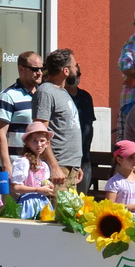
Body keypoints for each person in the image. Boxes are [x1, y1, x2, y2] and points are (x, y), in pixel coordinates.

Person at [32, 49, 83, 191]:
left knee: (69, 212)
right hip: (57, 168)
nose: (77, 70)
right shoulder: (46, 92)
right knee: (57, 212)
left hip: (69, 167)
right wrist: (54, 166)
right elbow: (40, 132)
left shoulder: (62, 91)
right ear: (65, 71)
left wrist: (76, 166)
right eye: (75, 66)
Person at [0, 52, 40, 176]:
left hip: (39, 167)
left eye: (41, 68)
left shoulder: (43, 95)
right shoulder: (8, 96)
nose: (39, 72)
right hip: (16, 166)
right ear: (21, 69)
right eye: (35, 69)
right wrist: (6, 165)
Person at [9, 123, 56, 219]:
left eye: (42, 141)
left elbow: (42, 183)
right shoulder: (23, 162)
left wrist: (48, 186)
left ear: (47, 143)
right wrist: (38, 190)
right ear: (27, 143)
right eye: (34, 141)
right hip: (28, 204)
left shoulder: (44, 165)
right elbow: (16, 187)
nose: (39, 144)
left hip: (42, 203)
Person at [65, 67, 95, 192]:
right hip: (67, 159)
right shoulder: (62, 96)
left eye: (79, 74)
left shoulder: (86, 97)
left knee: (82, 199)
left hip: (84, 158)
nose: (77, 77)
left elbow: (89, 125)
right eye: (74, 74)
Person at [104, 141, 135, 209]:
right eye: (131, 157)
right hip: (123, 218)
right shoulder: (114, 182)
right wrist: (129, 207)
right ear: (119, 160)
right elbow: (109, 207)